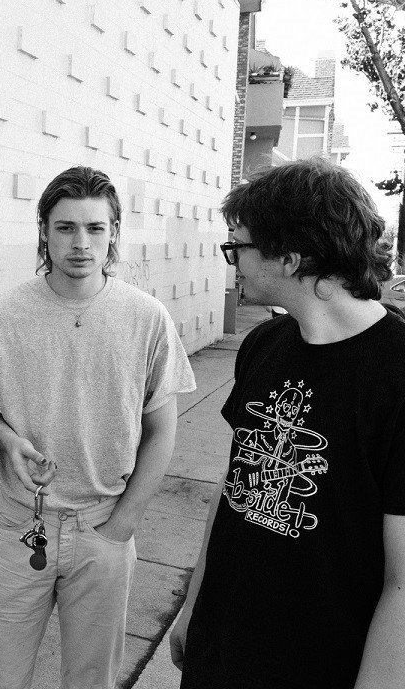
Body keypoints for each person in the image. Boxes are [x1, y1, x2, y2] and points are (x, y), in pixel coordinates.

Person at [0, 166, 196, 689]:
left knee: (92, 682)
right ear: (43, 230)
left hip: (103, 525)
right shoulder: (3, 314)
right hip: (21, 524)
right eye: (66, 228)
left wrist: (123, 523)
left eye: (95, 228)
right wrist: (8, 439)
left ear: (113, 233)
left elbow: (161, 430)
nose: (81, 243)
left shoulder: (147, 318)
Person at [169, 158, 405, 689]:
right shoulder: (264, 345)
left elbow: (403, 584)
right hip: (223, 646)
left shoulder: (396, 375)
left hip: (322, 662)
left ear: (292, 257)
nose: (233, 260)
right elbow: (235, 487)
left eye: (240, 248)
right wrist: (194, 604)